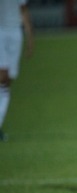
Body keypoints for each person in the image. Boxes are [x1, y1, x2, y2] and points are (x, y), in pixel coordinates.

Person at [0, 0, 34, 141]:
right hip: (0, 32)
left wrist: (29, 37)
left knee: (7, 82)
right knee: (3, 77)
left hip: (15, 32)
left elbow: (23, 10)